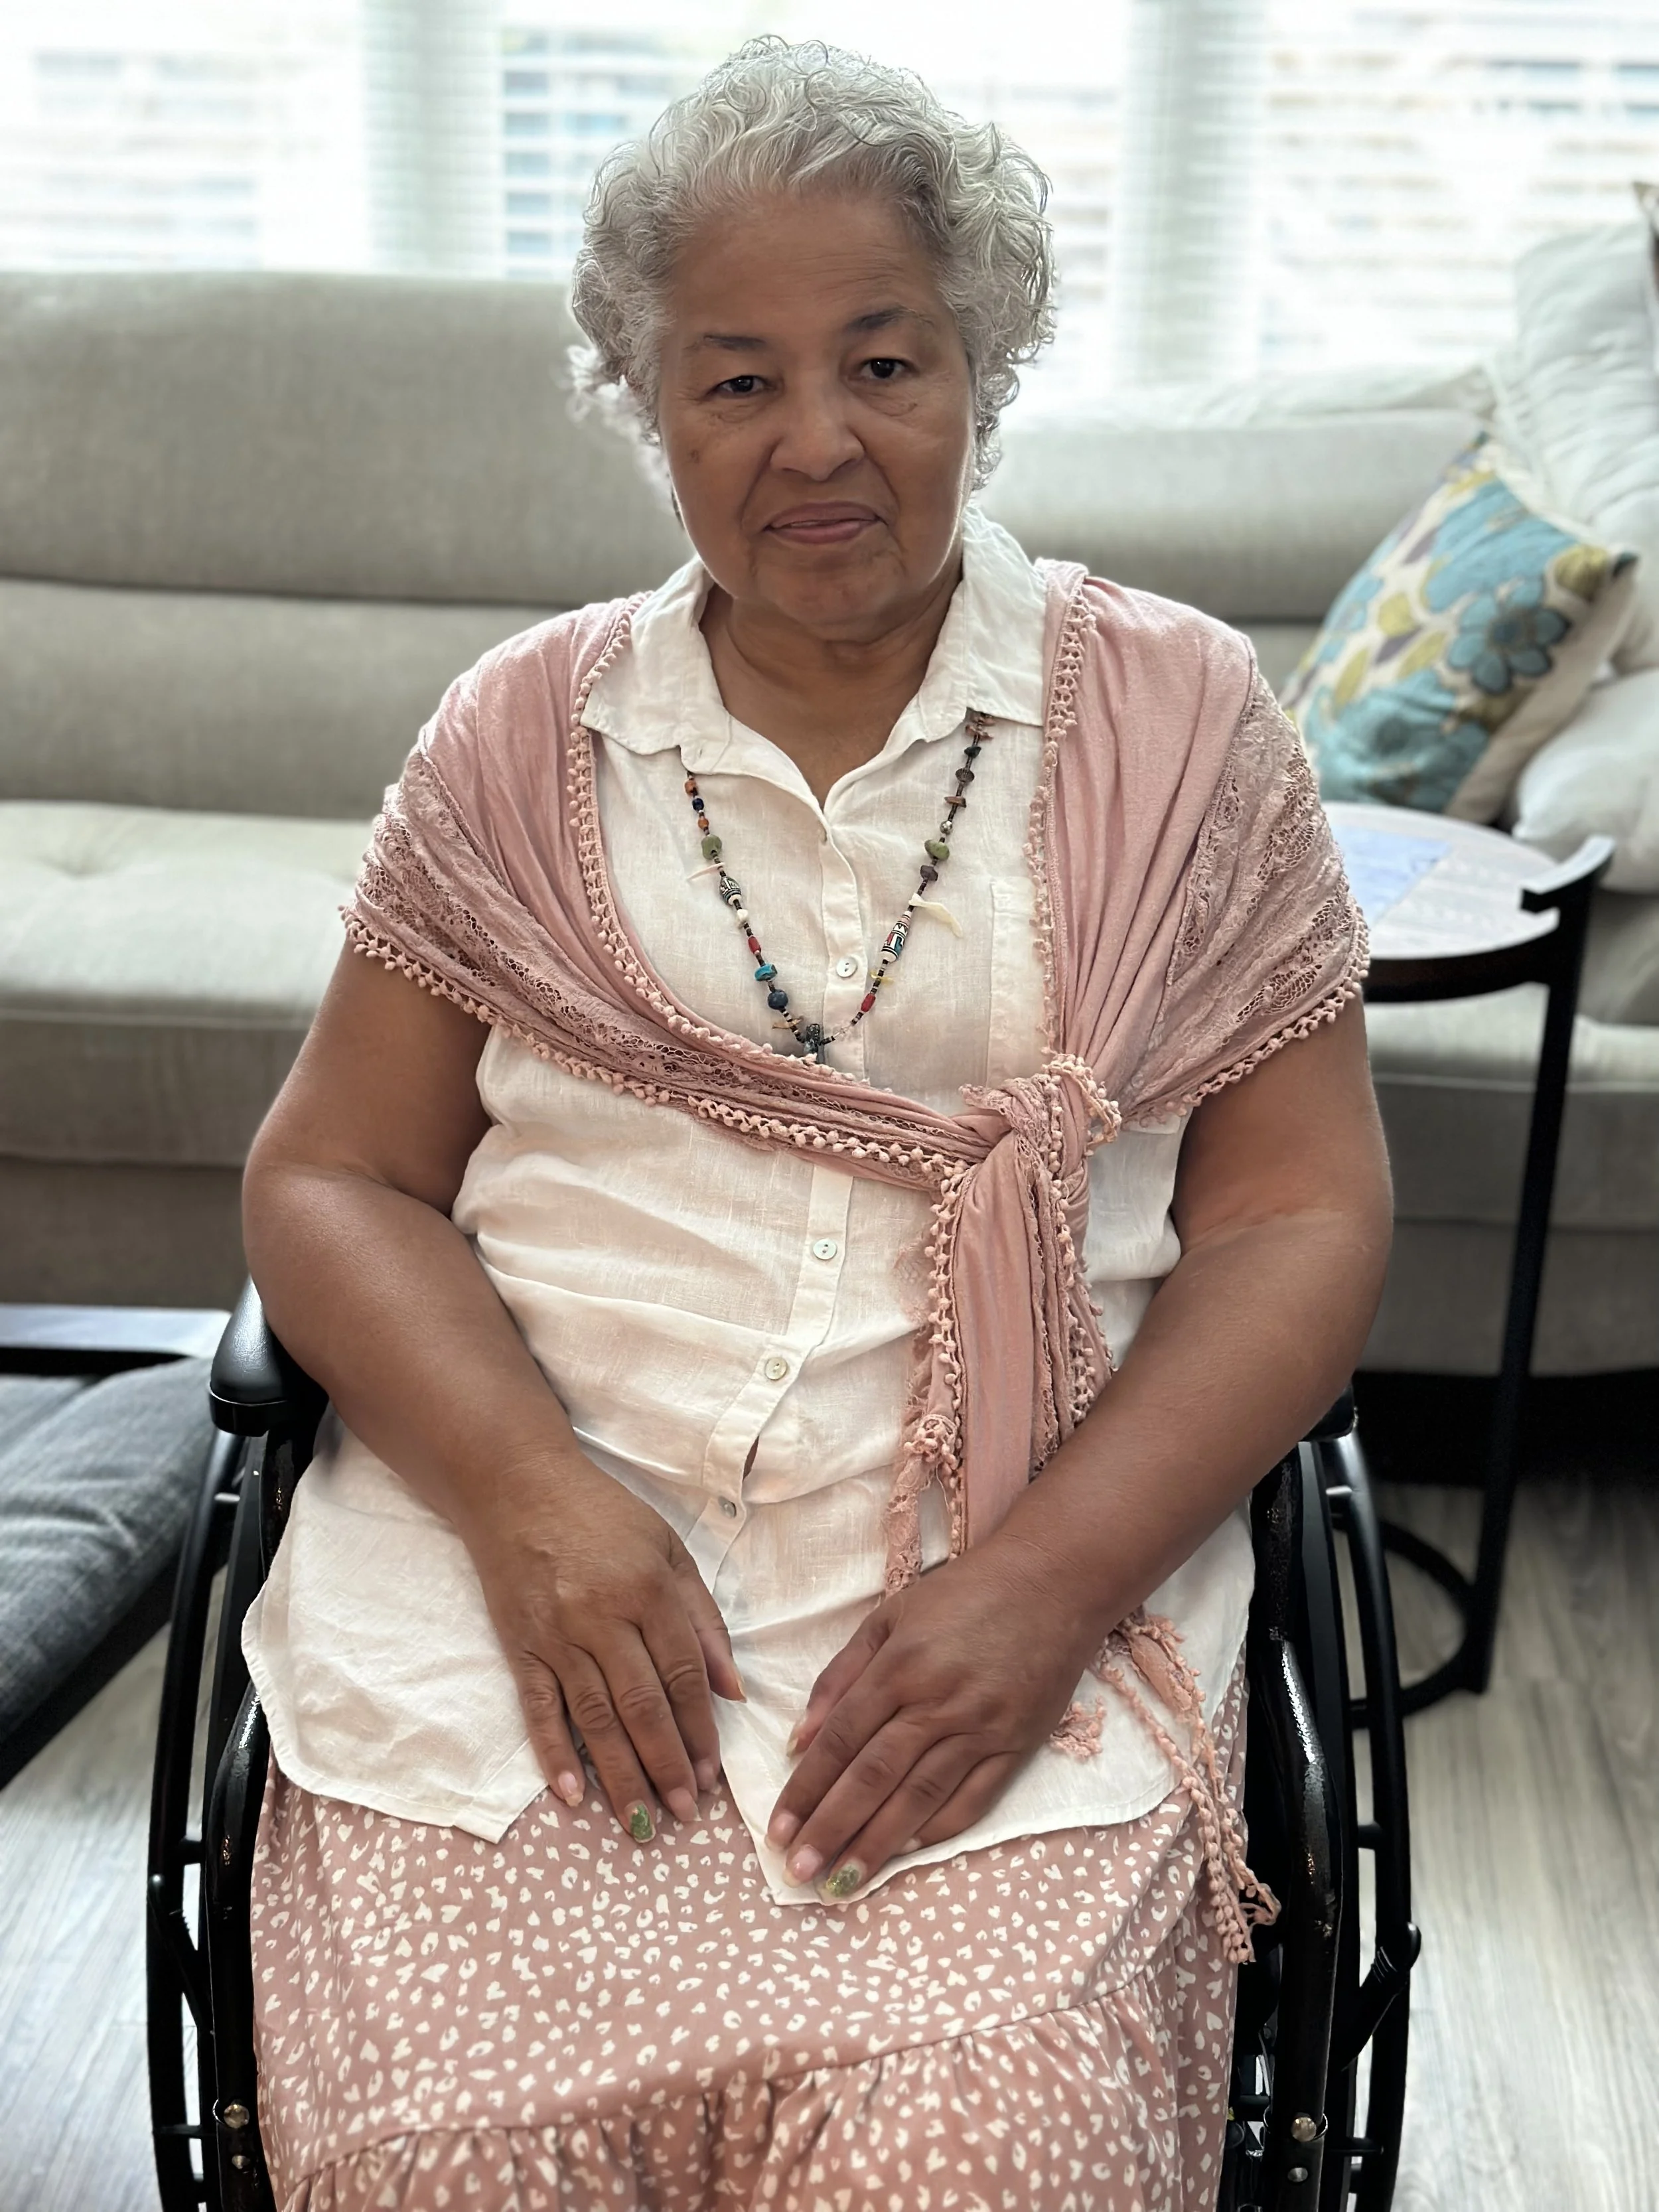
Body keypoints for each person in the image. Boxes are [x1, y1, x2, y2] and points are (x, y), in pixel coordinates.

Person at [240, 35, 1390, 2212]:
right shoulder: (520, 733)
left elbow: (1294, 1215)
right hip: (523, 1577)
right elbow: (333, 1172)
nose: (818, 442)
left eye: (881, 362)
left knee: (986, 2157)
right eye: (736, 379)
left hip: (1004, 1581)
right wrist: (525, 1498)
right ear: (649, 406)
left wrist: (1043, 1588)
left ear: (981, 369)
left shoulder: (1181, 720)